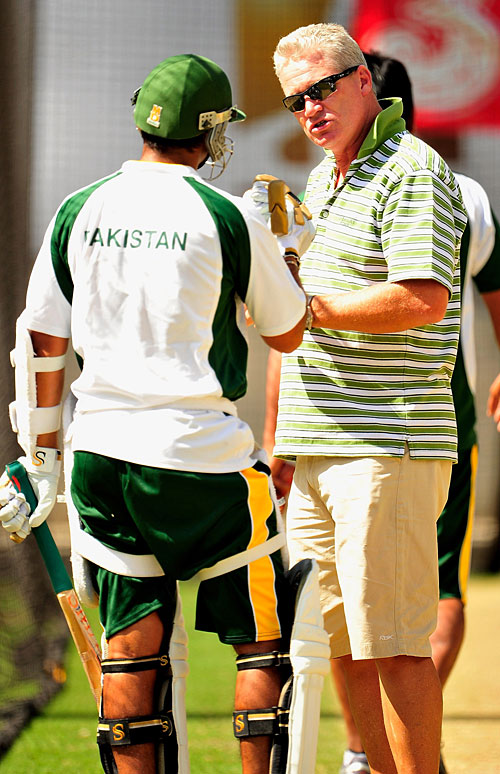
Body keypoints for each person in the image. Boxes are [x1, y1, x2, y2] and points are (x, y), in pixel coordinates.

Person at [0, 54, 329, 774]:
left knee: (129, 649)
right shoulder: (225, 215)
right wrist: (289, 257)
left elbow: (41, 342)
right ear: (210, 132)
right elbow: (289, 332)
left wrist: (39, 460)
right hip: (203, 458)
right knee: (260, 640)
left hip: (104, 460)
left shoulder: (79, 208)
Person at [266, 22, 467, 774]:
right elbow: (308, 307)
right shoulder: (324, 178)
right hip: (324, 443)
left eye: (322, 88)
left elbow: (421, 299)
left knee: (398, 648)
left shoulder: (410, 166)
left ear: (361, 80)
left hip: (386, 445)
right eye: (295, 101)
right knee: (342, 647)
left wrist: (307, 309)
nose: (310, 108)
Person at [327, 50, 500, 774]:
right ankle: (400, 748)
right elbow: (494, 286)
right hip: (434, 417)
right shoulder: (461, 191)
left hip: (349, 421)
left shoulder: (326, 188)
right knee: (434, 594)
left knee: (344, 603)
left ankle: (369, 752)